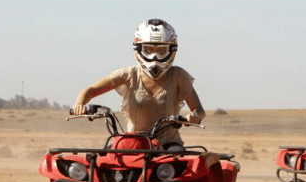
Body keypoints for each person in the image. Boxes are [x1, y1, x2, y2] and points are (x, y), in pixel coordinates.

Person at [72, 19, 206, 148]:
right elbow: (91, 90)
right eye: (148, 49)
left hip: (168, 144)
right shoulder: (128, 74)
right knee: (107, 159)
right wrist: (79, 104)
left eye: (161, 50)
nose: (155, 57)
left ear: (171, 50)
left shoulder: (178, 75)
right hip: (134, 143)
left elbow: (199, 110)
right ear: (138, 48)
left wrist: (194, 117)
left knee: (179, 165)